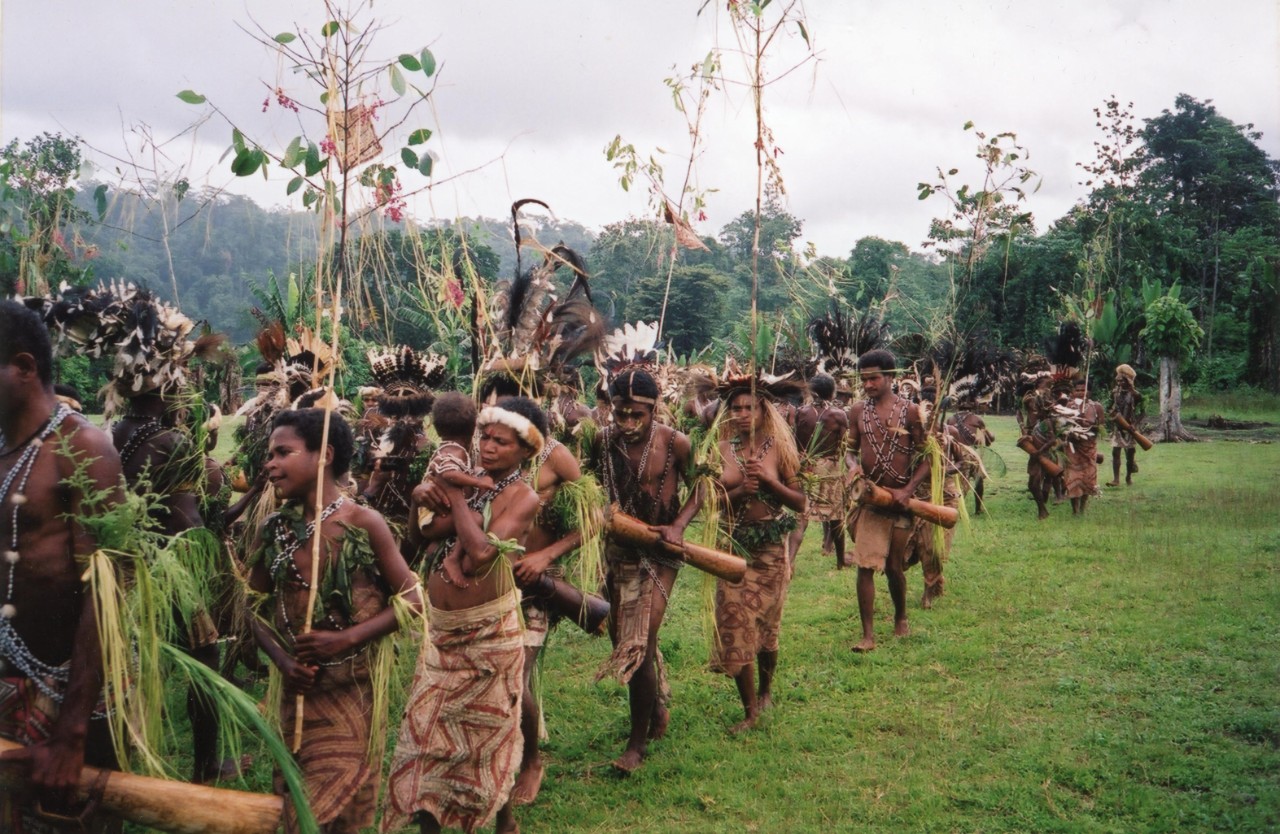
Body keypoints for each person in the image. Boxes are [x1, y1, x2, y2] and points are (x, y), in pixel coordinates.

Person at [247, 408, 423, 834]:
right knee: (297, 807)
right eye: (269, 454)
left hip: (352, 694)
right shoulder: (274, 529)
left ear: (324, 454)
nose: (269, 464)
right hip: (297, 694)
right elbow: (252, 608)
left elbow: (413, 599)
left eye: (283, 452)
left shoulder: (363, 522)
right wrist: (282, 662)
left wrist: (347, 639)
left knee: (342, 811)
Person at [385, 397, 545, 834]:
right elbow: (421, 536)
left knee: (489, 734)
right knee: (426, 735)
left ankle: (503, 822)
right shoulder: (472, 480)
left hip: (490, 632)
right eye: (485, 438)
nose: (488, 447)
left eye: (501, 442)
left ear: (525, 451)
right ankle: (432, 820)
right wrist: (419, 497)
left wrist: (453, 491)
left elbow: (480, 553)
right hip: (442, 632)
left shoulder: (523, 497)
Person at [0, 300, 124, 833]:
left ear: (24, 367)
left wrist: (72, 732)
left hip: (65, 693)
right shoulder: (5, 450)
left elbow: (107, 594)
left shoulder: (83, 447)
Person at [591, 368, 703, 773]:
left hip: (660, 553)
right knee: (623, 637)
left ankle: (635, 745)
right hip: (617, 551)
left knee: (639, 641)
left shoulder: (676, 443)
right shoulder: (601, 442)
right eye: (619, 413)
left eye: (636, 415)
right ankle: (655, 710)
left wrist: (678, 525)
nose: (627, 423)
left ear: (654, 409)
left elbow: (702, 487)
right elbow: (589, 487)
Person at [712, 382, 806, 733]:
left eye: (748, 408)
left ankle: (766, 690)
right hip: (732, 547)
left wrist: (769, 483)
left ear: (762, 410)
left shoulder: (780, 447)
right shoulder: (721, 449)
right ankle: (750, 711)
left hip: (769, 550)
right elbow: (708, 500)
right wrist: (739, 491)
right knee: (736, 624)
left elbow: (800, 502)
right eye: (735, 408)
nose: (741, 415)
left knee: (766, 628)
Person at [846, 349, 929, 652]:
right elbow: (850, 451)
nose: (868, 384)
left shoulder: (911, 412)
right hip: (870, 499)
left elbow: (928, 458)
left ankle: (901, 616)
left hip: (899, 502)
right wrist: (853, 466)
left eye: (874, 378)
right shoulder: (857, 411)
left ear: (890, 378)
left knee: (894, 566)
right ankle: (867, 635)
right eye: (864, 379)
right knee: (864, 565)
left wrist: (907, 490)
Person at [792, 373, 849, 569]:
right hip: (829, 469)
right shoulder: (838, 415)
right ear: (832, 392)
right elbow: (844, 446)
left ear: (811, 391)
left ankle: (790, 560)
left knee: (801, 516)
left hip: (805, 466)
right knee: (836, 516)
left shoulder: (801, 412)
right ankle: (841, 561)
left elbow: (795, 440)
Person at [1063, 376, 1105, 515]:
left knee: (1088, 478)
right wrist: (1072, 429)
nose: (1081, 393)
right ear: (1073, 392)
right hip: (1073, 447)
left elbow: (1102, 427)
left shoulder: (1096, 406)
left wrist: (1089, 426)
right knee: (1073, 477)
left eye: (1084, 390)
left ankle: (1082, 508)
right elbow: (1062, 425)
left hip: (1089, 447)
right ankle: (1075, 510)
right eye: (1078, 390)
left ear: (1089, 392)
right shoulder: (1068, 406)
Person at [1106, 364, 1145, 487]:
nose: (1119, 383)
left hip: (1130, 428)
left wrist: (1135, 424)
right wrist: (1111, 414)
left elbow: (1142, 412)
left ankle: (1128, 477)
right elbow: (1108, 407)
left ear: (1129, 380)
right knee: (1115, 452)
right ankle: (1116, 479)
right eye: (1118, 381)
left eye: (1122, 380)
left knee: (1130, 455)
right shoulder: (1114, 393)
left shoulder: (1136, 395)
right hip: (1118, 428)